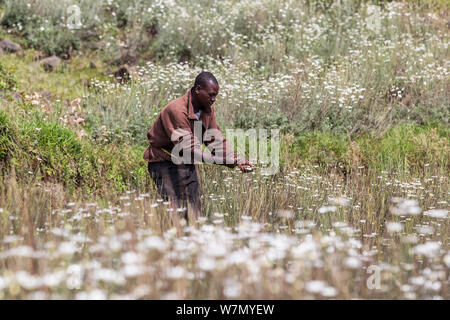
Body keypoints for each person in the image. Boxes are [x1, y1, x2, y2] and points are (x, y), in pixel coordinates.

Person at [144, 71, 253, 225]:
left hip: (185, 163)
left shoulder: (206, 108)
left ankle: (192, 243)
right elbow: (188, 149)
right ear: (197, 90)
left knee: (194, 209)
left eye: (216, 95)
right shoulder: (176, 110)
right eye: (211, 95)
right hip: (163, 162)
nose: (214, 99)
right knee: (175, 211)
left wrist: (236, 159)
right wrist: (221, 161)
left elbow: (214, 139)